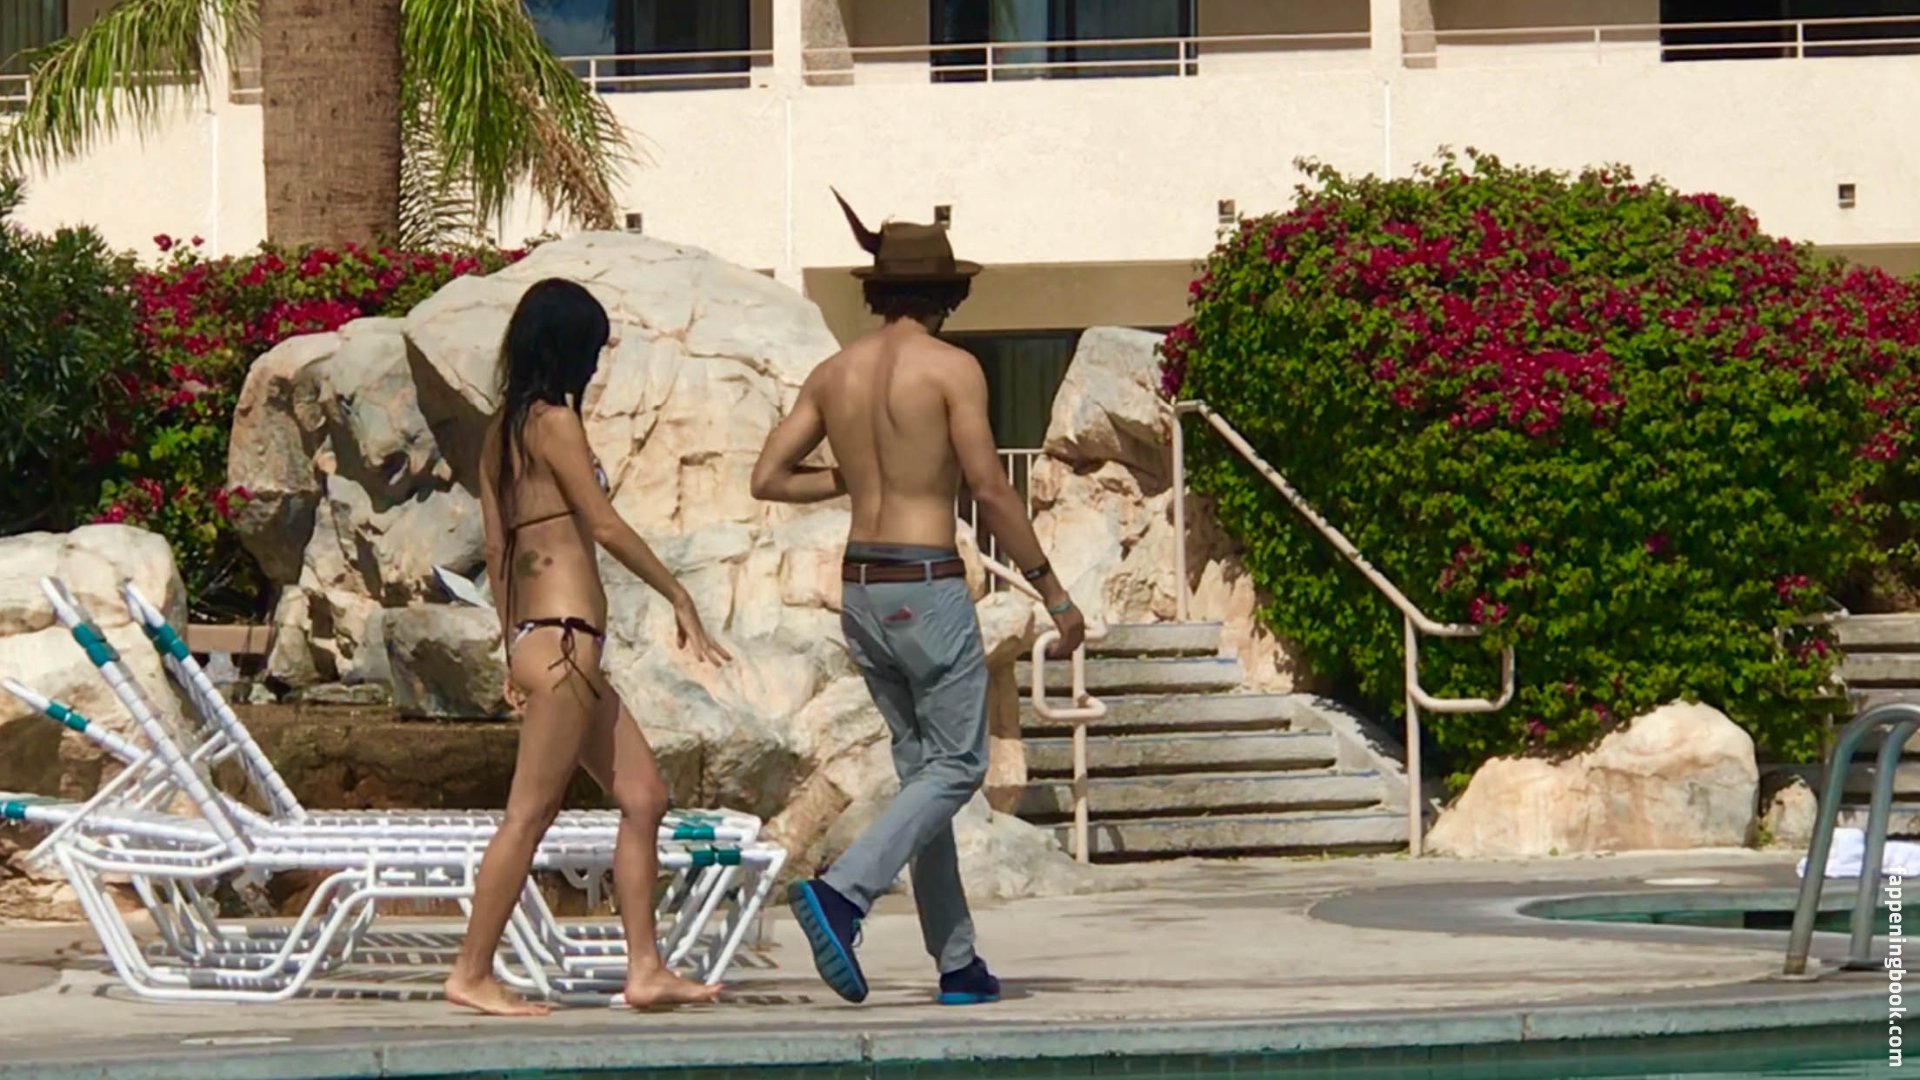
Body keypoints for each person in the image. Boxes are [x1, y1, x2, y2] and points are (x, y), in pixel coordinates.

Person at [749, 191, 1086, 1007]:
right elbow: (988, 488)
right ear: (948, 293)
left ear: (878, 292)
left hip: (861, 590)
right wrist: (1052, 589)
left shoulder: (834, 374)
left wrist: (853, 477)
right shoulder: (952, 369)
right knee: (960, 765)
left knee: (922, 780)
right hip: (924, 585)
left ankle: (957, 962)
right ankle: (844, 892)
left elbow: (768, 477)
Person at [445, 277, 734, 1018]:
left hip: (543, 641)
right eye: (594, 349)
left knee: (644, 796)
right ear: (568, 349)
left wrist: (510, 644)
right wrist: (676, 592)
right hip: (567, 645)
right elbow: (602, 524)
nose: (599, 364)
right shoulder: (555, 424)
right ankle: (471, 972)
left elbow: (498, 550)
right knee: (529, 814)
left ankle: (646, 969)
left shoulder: (500, 434)